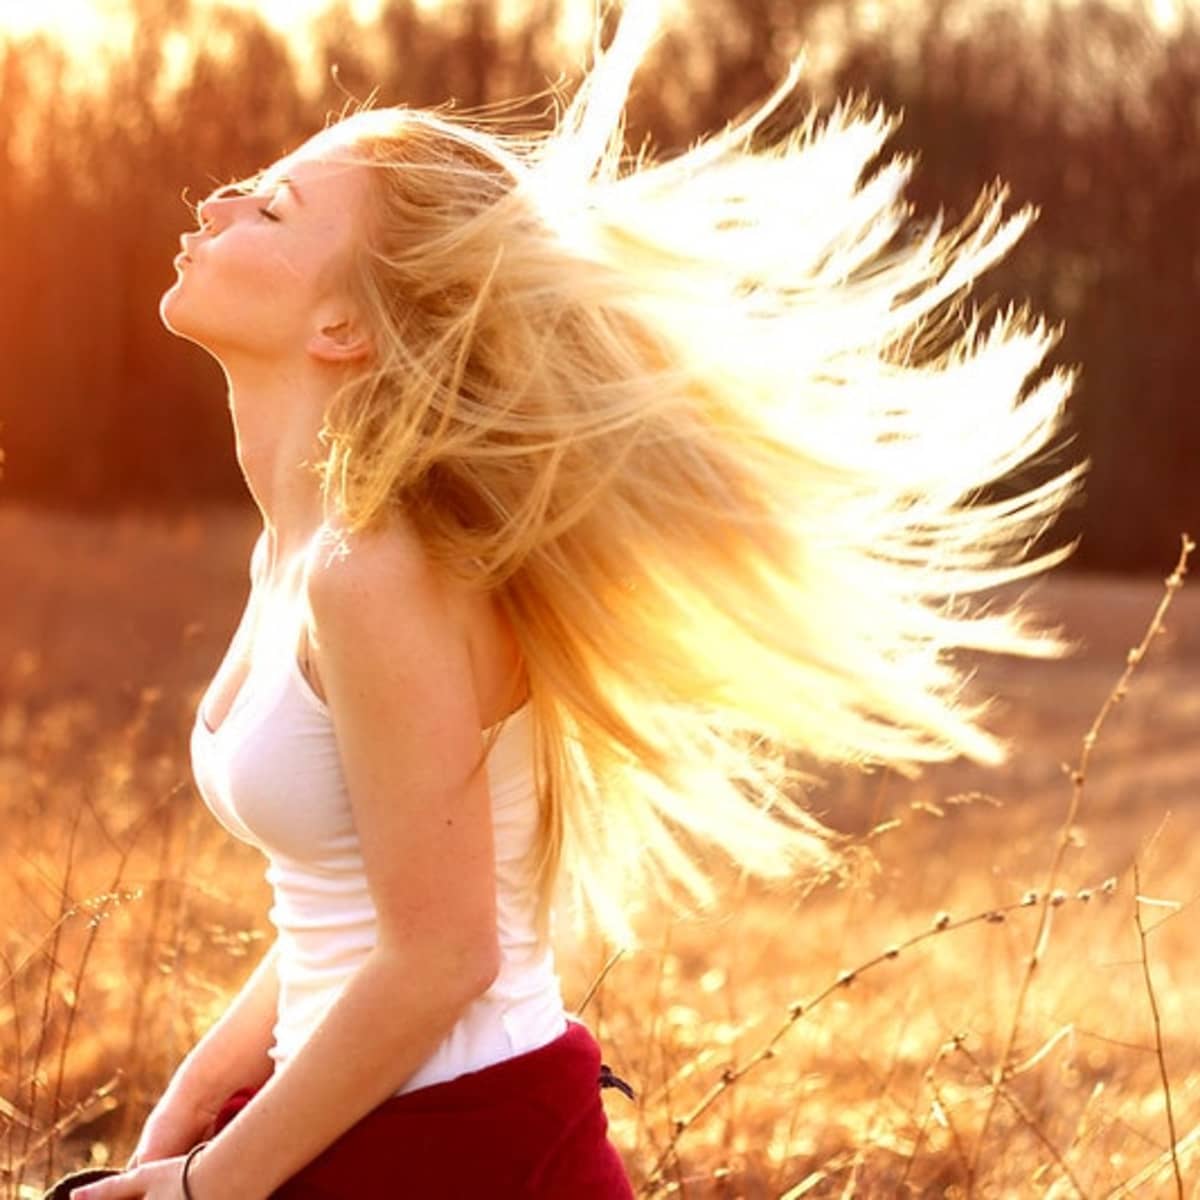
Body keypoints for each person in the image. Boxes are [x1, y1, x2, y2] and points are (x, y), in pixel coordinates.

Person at [66, 8, 1082, 1200]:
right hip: (367, 1127)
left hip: (465, 1154)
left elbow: (441, 960)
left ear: (345, 326)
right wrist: (182, 1124)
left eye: (272, 207)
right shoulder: (297, 554)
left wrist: (204, 1187)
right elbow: (338, 917)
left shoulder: (375, 570)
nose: (215, 206)